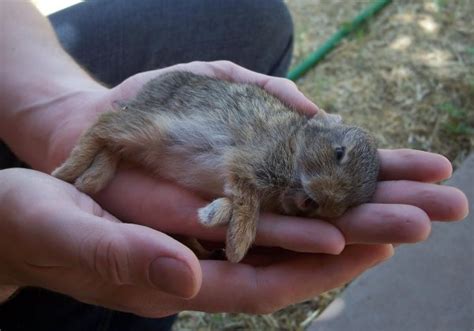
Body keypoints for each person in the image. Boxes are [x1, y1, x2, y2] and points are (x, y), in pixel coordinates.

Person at [0, 1, 468, 330]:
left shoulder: (306, 177)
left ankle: (109, 183)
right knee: (130, 271)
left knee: (257, 17)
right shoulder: (288, 144)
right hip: (189, 123)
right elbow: (247, 172)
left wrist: (54, 109)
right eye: (338, 157)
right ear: (327, 128)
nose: (324, 192)